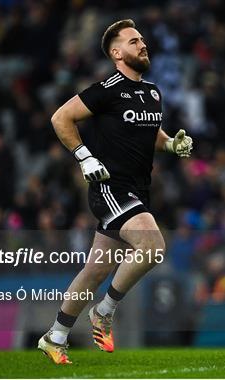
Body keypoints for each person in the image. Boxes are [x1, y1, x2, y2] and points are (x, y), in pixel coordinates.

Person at [37, 19, 193, 364]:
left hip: (138, 190)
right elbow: (60, 118)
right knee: (152, 246)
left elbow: (149, 131)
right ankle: (104, 311)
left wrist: (171, 144)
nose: (143, 45)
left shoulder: (152, 92)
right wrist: (84, 157)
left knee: (95, 270)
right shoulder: (106, 89)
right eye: (134, 41)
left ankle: (55, 335)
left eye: (142, 40)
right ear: (117, 53)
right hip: (110, 187)